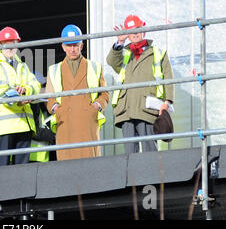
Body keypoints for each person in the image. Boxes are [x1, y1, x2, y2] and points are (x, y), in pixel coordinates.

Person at [106, 14, 174, 154]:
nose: (135, 33)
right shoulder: (124, 53)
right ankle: (132, 176)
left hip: (147, 108)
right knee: (130, 153)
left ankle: (152, 176)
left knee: (150, 151)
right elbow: (112, 61)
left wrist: (166, 103)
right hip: (126, 110)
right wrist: (119, 43)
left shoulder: (158, 53)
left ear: (143, 30)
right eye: (131, 30)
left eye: (137, 29)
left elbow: (168, 78)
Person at [46, 24, 110, 161]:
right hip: (65, 122)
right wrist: (57, 109)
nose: (73, 49)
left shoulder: (95, 67)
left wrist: (95, 107)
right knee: (66, 166)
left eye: (76, 45)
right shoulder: (54, 70)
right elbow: (49, 97)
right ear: (63, 46)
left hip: (87, 122)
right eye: (69, 46)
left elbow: (105, 94)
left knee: (90, 164)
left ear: (82, 45)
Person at [0, 26, 41, 166]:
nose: (10, 47)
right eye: (6, 44)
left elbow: (36, 86)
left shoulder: (22, 66)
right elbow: (2, 90)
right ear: (0, 45)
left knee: (22, 170)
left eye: (13, 43)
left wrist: (25, 90)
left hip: (24, 125)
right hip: (5, 126)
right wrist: (20, 100)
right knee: (2, 169)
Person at [29, 73, 56, 162]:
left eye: (44, 86)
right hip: (31, 157)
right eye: (40, 86)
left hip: (43, 158)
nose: (43, 89)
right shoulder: (30, 106)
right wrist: (55, 135)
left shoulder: (43, 105)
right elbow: (34, 131)